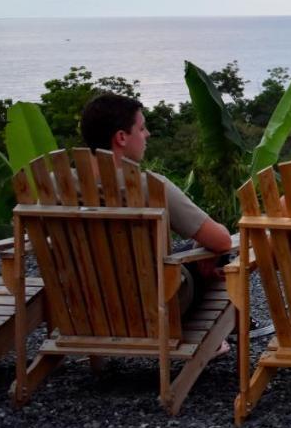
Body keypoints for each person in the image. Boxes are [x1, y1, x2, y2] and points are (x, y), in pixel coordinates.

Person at [80, 93, 233, 327]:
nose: (147, 135)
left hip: (84, 303)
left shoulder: (55, 185)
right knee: (218, 253)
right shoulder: (150, 186)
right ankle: (213, 335)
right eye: (141, 129)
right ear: (121, 137)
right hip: (154, 306)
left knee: (190, 248)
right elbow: (221, 240)